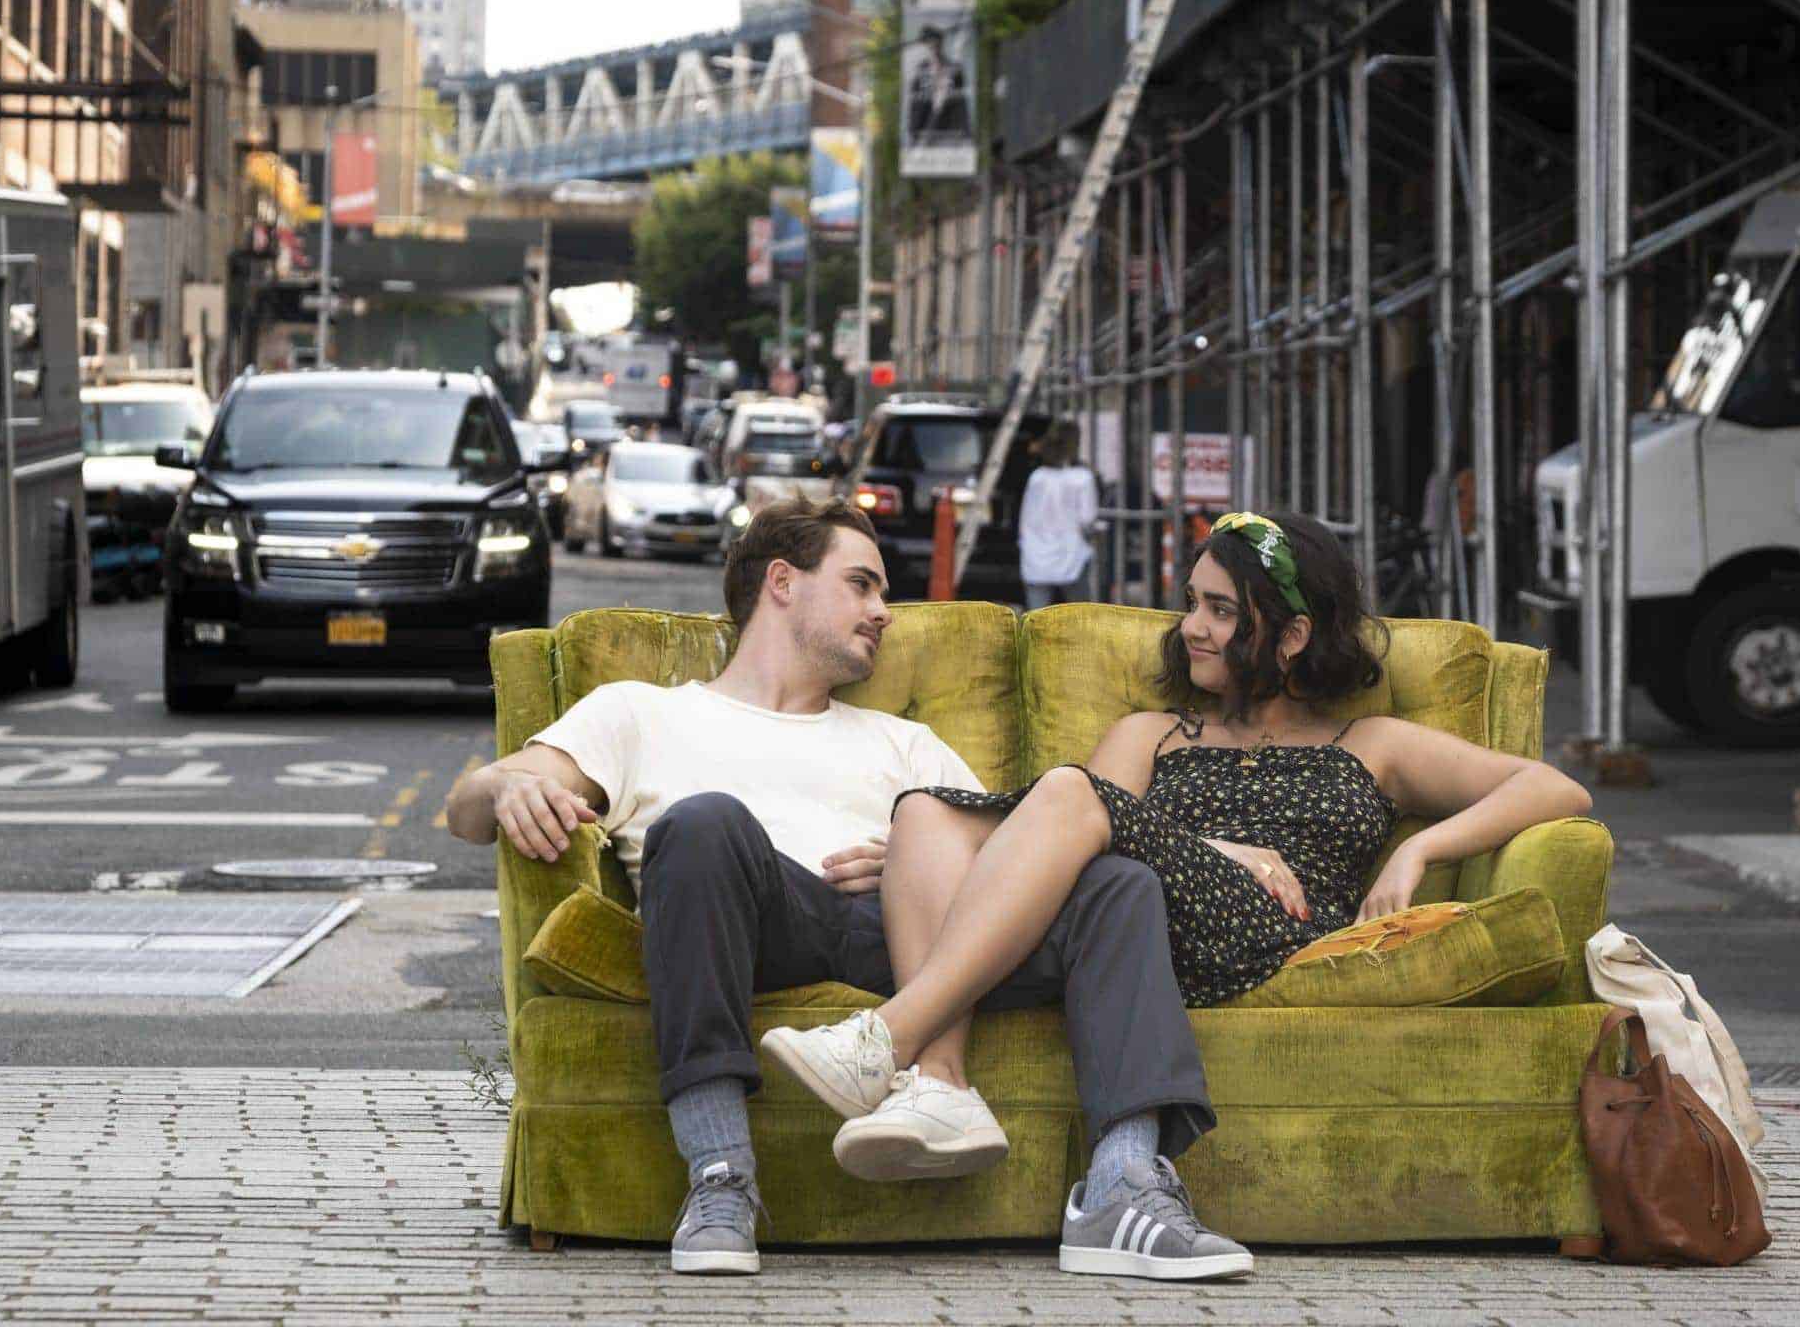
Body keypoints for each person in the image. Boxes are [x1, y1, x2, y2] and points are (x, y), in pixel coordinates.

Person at [768, 511, 1595, 1272]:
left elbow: (1555, 789)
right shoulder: (1149, 733)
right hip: (1142, 932)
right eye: (1192, 603)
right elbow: (1092, 842)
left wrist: (1418, 856)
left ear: (1294, 634)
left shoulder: (1370, 744)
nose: (1194, 627)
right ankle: (940, 1086)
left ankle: (885, 1039)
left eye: (1224, 611)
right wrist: (1221, 846)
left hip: (1269, 933)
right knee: (925, 813)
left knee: (1059, 793)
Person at [444, 497, 1245, 1281]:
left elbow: (1025, 862)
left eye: (885, 594)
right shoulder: (639, 714)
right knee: (701, 825)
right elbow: (471, 807)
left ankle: (1125, 1182)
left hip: (926, 949)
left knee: (1116, 883)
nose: (884, 611)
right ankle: (720, 1178)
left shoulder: (907, 744)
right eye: (862, 584)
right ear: (782, 582)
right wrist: (504, 788)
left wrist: (916, 857)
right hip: (758, 922)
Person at [1016, 420, 1100, 610]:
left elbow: (1025, 519)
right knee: (1080, 616)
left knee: (1035, 619)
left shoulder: (1037, 477)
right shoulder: (1083, 478)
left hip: (1035, 555)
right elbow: (1087, 519)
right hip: (1071, 555)